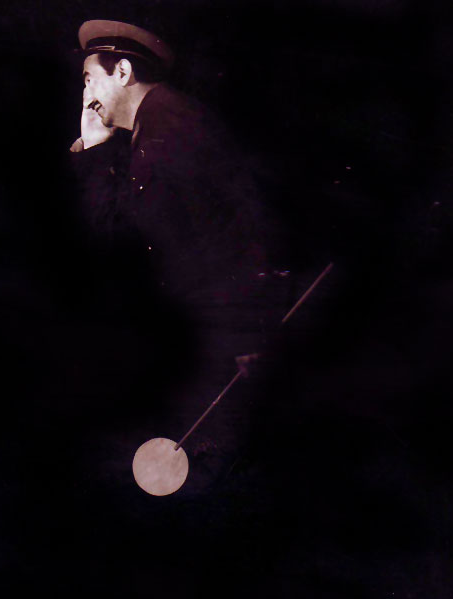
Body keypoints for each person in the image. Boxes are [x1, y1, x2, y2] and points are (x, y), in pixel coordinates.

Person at [70, 19, 287, 481]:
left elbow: (222, 238)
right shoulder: (157, 126)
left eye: (90, 78)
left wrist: (246, 337)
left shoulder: (171, 131)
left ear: (123, 72)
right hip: (204, 338)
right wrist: (95, 148)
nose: (86, 93)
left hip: (217, 344)